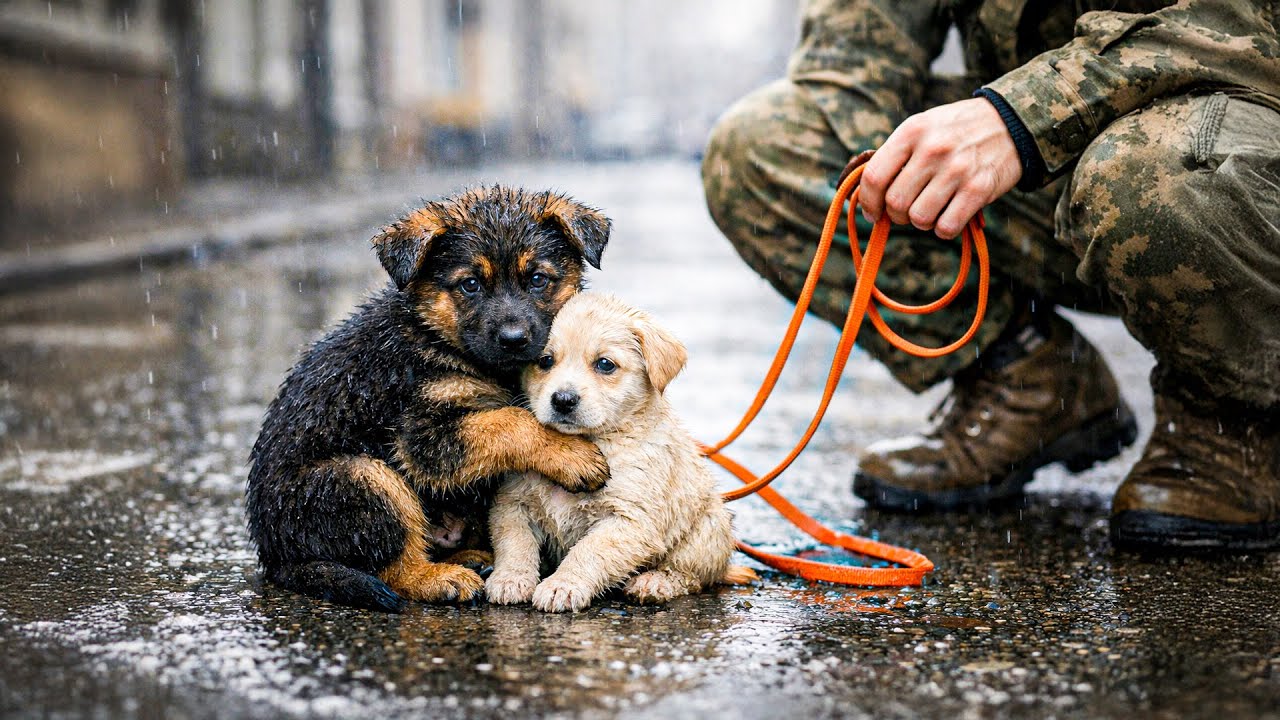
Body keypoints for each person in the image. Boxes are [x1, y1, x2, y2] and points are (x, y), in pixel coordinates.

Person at [702, 1, 1280, 551]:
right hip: (1052, 156)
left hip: (1231, 148)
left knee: (1163, 173)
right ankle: (1032, 384)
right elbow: (853, 55)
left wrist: (1018, 117)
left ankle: (1234, 427)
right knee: (762, 145)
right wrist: (881, 175)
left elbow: (1228, 27)